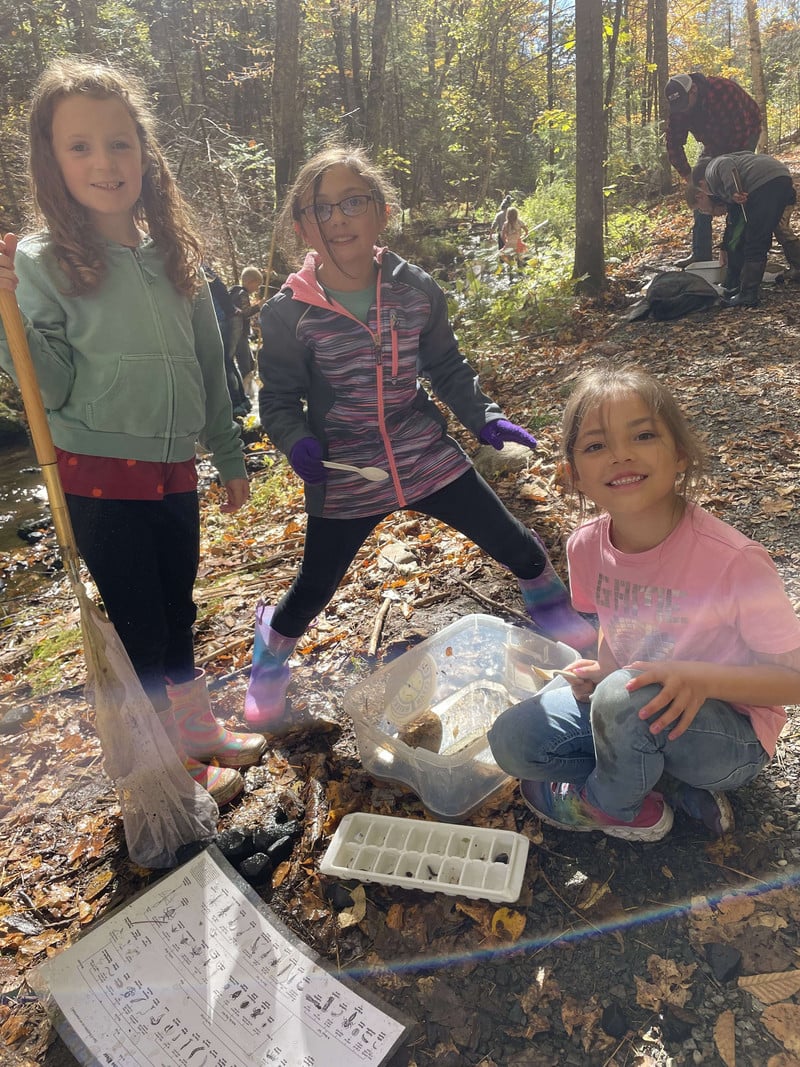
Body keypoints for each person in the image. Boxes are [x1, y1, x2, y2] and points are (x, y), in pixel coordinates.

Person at [245, 145, 597, 731]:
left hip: (424, 454)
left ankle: (549, 601)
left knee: (514, 543)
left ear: (381, 213)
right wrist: (295, 439)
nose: (337, 219)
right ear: (303, 226)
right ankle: (270, 655)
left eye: (352, 202)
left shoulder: (416, 291)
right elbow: (278, 399)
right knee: (313, 588)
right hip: (347, 474)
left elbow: (447, 366)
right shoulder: (287, 315)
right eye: (321, 209)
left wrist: (483, 417)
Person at [0, 58, 261, 807]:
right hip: (97, 474)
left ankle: (194, 729)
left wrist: (226, 445)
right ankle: (163, 766)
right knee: (141, 620)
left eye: (119, 143)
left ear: (144, 151)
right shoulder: (39, 262)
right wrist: (4, 311)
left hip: (174, 467)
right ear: (51, 161)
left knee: (179, 605)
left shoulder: (172, 253)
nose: (104, 162)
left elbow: (210, 361)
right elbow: (47, 388)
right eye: (78, 146)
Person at [488, 364, 800, 842]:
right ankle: (656, 783)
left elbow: (792, 683)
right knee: (513, 741)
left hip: (727, 738)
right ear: (573, 476)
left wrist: (695, 678)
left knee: (626, 697)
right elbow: (615, 625)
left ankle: (617, 808)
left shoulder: (734, 562)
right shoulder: (585, 546)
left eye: (643, 435)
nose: (620, 455)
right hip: (637, 705)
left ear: (679, 454)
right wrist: (603, 668)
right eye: (596, 446)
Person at [665, 72, 761, 268]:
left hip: (745, 133)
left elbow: (742, 130)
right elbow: (673, 144)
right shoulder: (678, 109)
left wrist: (726, 172)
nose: (682, 111)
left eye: (685, 104)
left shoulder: (723, 90)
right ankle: (701, 255)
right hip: (712, 142)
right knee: (699, 191)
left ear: (694, 90)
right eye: (678, 107)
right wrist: (689, 176)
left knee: (735, 187)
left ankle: (734, 249)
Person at [689, 152, 800, 307]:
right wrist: (725, 247)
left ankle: (748, 294)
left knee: (755, 240)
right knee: (775, 229)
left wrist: (733, 191)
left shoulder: (713, 168)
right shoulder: (739, 165)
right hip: (781, 177)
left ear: (702, 184)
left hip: (766, 184)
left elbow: (725, 164)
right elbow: (734, 221)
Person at [203, 262, 251, 416]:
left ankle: (236, 405)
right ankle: (242, 401)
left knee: (224, 363)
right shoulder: (205, 269)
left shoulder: (198, 270)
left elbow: (220, 293)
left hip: (217, 320)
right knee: (228, 362)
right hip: (223, 318)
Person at [228, 265, 264, 388]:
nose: (257, 288)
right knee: (246, 364)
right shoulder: (242, 294)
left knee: (249, 362)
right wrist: (259, 306)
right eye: (257, 285)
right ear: (250, 282)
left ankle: (246, 389)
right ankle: (245, 390)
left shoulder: (235, 292)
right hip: (239, 334)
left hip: (238, 333)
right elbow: (245, 313)